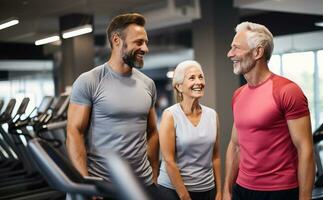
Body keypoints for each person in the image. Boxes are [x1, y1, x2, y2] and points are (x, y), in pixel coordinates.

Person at [66, 13, 160, 197]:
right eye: (139, 42)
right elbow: (74, 133)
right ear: (117, 40)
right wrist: (87, 185)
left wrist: (154, 174)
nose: (145, 48)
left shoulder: (148, 84)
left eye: (146, 42)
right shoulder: (89, 81)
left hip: (143, 184)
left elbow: (153, 131)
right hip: (104, 186)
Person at [223, 22, 315, 200]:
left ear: (258, 52)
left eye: (236, 48)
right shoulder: (238, 95)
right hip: (242, 189)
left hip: (279, 191)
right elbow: (235, 146)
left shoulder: (287, 91)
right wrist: (227, 189)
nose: (230, 54)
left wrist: (305, 197)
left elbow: (305, 149)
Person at [158, 60, 222, 200]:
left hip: (207, 189)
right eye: (192, 78)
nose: (198, 82)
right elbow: (169, 161)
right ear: (179, 86)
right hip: (173, 191)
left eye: (201, 77)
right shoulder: (170, 115)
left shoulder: (212, 115)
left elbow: (216, 157)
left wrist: (219, 191)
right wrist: (184, 196)